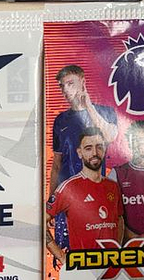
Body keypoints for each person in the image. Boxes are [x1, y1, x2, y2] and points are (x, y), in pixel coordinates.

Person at [49, 64, 118, 249]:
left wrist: (88, 106)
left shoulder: (105, 112)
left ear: (83, 83)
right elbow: (56, 164)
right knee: (68, 251)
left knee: (98, 249)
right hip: (66, 198)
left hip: (96, 197)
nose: (65, 89)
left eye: (70, 83)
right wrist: (51, 202)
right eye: (62, 86)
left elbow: (110, 136)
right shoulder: (60, 120)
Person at [45, 129, 124, 266]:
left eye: (99, 147)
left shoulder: (113, 186)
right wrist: (62, 257)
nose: (94, 153)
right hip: (83, 268)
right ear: (79, 152)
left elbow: (120, 219)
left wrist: (117, 250)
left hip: (111, 267)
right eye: (88, 148)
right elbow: (40, 222)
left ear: (104, 150)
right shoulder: (68, 188)